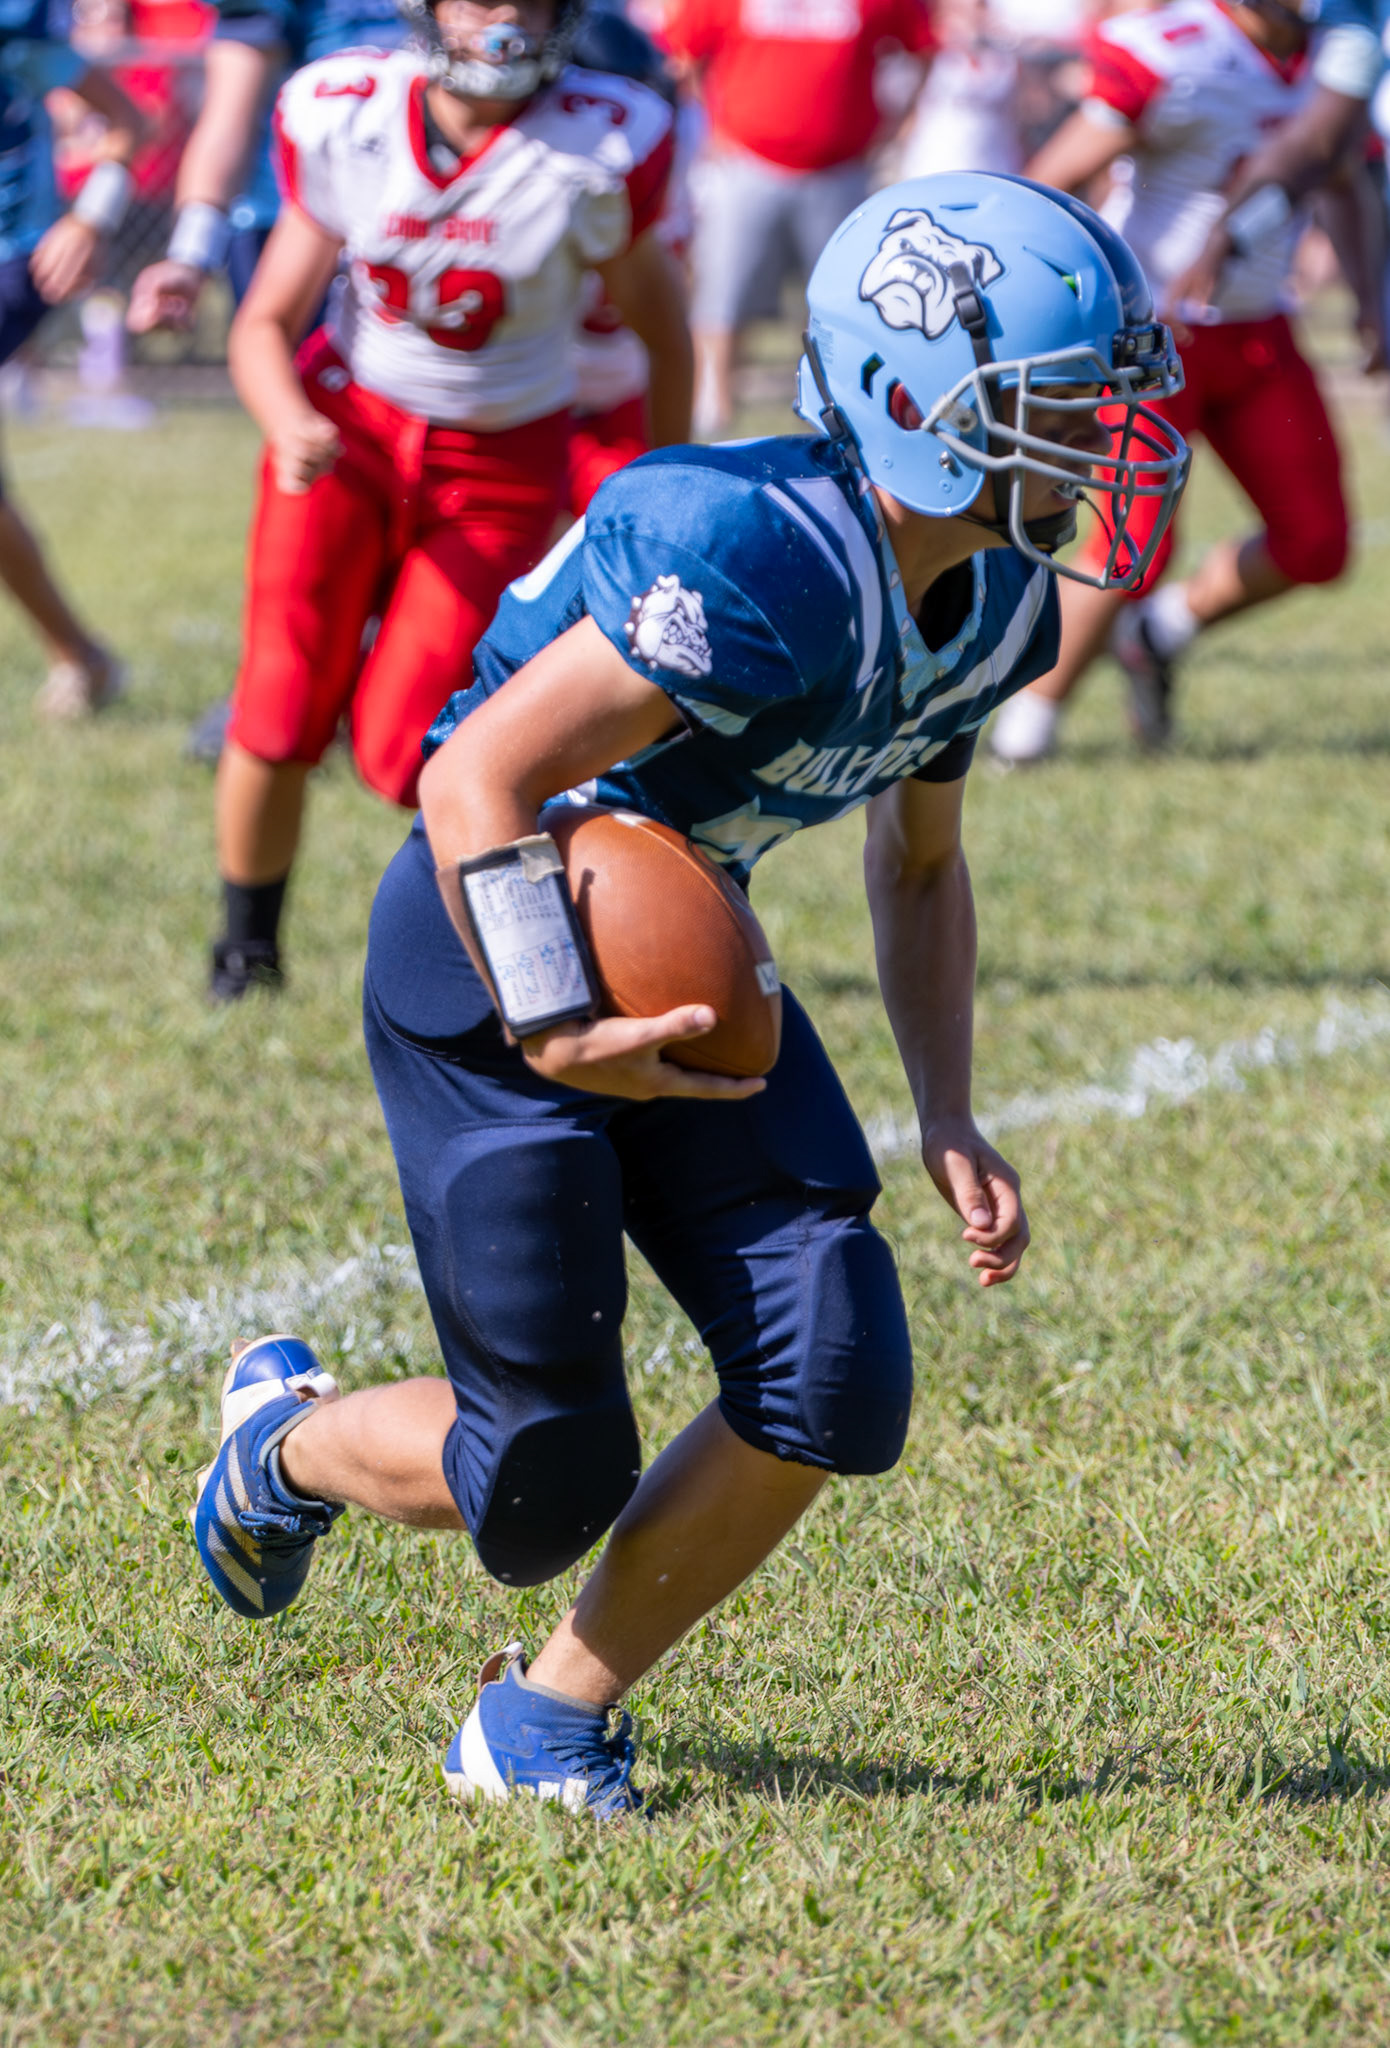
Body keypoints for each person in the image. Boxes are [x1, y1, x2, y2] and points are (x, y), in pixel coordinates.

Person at [191, 170, 1189, 1814]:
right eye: (1060, 405)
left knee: (831, 1359)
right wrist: (551, 1015)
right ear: (911, 404)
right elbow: (474, 778)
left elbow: (919, 864)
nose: (1101, 442)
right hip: (488, 946)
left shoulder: (999, 594)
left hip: (674, 946)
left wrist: (945, 1103)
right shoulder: (759, 550)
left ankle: (540, 1724)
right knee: (537, 1473)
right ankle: (283, 1442)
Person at [206, 0, 691, 1001]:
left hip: (500, 462)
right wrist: (287, 419)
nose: (504, 17)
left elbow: (664, 330)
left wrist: (664, 481)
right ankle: (244, 952)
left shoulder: (600, 138)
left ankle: (513, 953)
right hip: (347, 434)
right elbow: (262, 322)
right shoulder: (348, 111)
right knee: (279, 704)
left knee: (410, 750)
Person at [992, 0, 1382, 762]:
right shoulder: (1178, 49)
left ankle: (1162, 632)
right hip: (1151, 338)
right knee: (1130, 544)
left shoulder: (1336, 54)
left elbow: (1341, 178)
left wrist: (1371, 298)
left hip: (1259, 329)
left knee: (1318, 543)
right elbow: (1052, 179)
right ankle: (1024, 733)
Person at [661, 0, 936, 436]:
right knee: (723, 290)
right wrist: (709, 124)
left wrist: (899, 121)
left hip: (841, 169)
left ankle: (834, 402)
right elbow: (681, 53)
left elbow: (922, 47)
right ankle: (713, 402)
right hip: (747, 162)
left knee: (842, 302)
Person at [0, 0, 139, 720]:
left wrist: (91, 216)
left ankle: (81, 656)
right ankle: (80, 655)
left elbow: (126, 120)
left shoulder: (15, 26)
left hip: (13, 260)